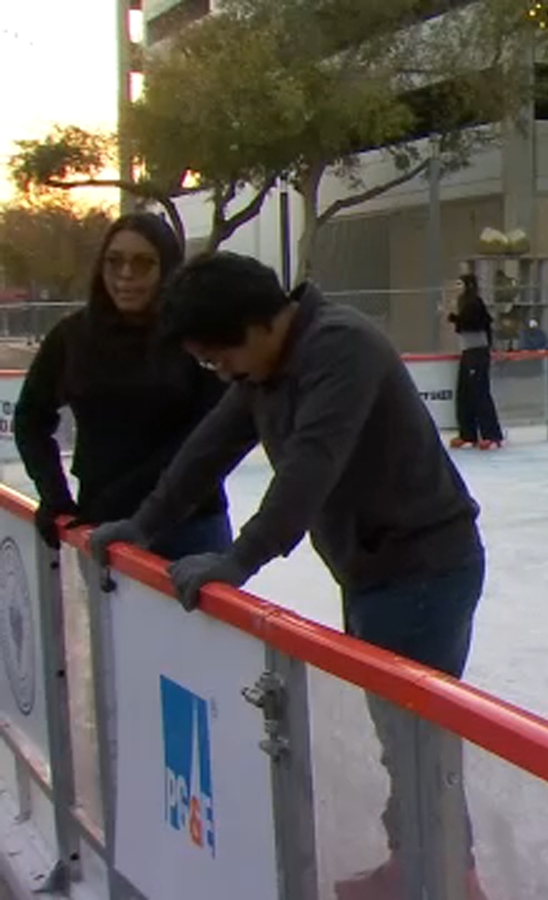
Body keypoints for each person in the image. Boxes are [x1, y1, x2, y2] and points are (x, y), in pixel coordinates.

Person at [84, 252, 488, 900]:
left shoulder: (341, 348)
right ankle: (415, 864)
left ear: (259, 325)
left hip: (425, 568)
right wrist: (144, 524)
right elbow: (209, 449)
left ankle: (450, 881)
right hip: (373, 568)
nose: (223, 373)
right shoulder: (269, 365)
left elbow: (310, 467)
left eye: (220, 358)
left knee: (416, 740)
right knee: (400, 737)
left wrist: (239, 559)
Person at [14, 212, 232, 558]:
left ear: (167, 269)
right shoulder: (72, 337)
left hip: (190, 528)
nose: (126, 275)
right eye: (114, 262)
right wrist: (54, 495)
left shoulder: (196, 335)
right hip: (102, 526)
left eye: (143, 263)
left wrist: (125, 498)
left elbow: (209, 435)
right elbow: (30, 418)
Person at [447, 273, 505, 450]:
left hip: (477, 352)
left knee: (479, 392)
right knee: (464, 393)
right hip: (468, 351)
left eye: (460, 284)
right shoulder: (464, 302)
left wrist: (455, 318)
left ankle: (491, 434)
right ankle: (467, 433)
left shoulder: (474, 303)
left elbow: (474, 323)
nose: (456, 287)